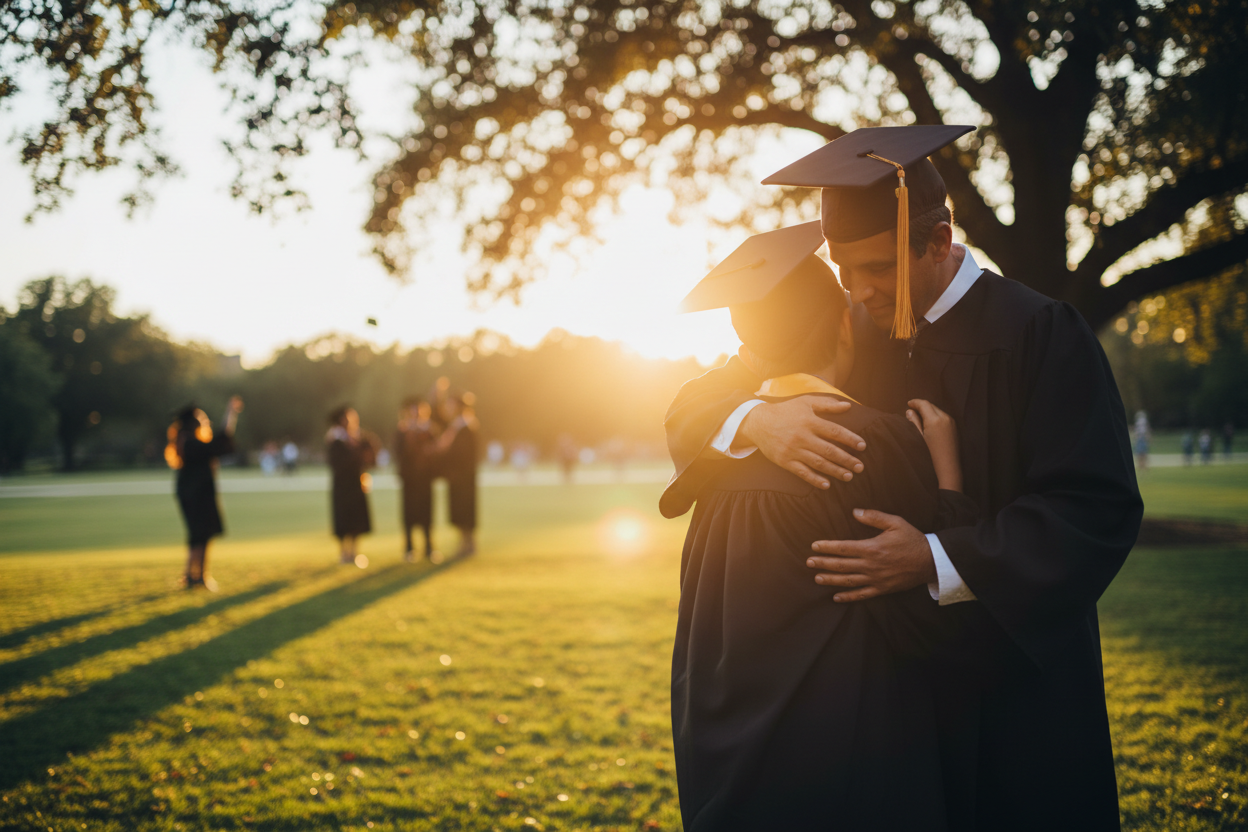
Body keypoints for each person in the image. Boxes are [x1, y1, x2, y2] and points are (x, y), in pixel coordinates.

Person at [663, 125, 1142, 829]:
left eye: (877, 269)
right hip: (900, 695)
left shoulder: (1039, 334)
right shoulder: (856, 319)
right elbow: (698, 400)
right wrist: (754, 419)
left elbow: (1093, 508)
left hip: (1014, 684)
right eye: (845, 271)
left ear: (939, 241)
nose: (857, 291)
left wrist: (937, 555)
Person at [669, 224, 981, 830]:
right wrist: (951, 485)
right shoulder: (872, 440)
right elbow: (930, 613)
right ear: (844, 326)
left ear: (750, 351)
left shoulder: (715, 457)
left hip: (726, 747)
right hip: (845, 751)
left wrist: (751, 417)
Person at [165, 396, 243, 590]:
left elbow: (218, 444)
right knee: (198, 535)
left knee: (201, 535)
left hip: (196, 493)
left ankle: (196, 576)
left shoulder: (186, 441)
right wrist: (230, 414)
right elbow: (220, 443)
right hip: (196, 495)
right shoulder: (190, 443)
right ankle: (193, 576)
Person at [327, 405, 374, 566]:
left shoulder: (359, 438)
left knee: (356, 519)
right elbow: (337, 464)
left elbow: (371, 456)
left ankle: (354, 552)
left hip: (356, 484)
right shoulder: (336, 440)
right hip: (342, 485)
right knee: (343, 519)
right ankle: (343, 553)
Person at [395, 396, 440, 562]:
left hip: (425, 479)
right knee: (409, 514)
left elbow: (436, 451)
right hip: (409, 479)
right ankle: (409, 548)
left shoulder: (429, 430)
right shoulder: (403, 431)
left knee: (426, 513)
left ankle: (428, 547)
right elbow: (399, 454)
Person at [439, 392, 479, 558]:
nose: (448, 408)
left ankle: (468, 544)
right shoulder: (456, 426)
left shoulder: (466, 427)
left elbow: (463, 454)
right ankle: (464, 543)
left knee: (465, 510)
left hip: (463, 477)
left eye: (451, 405)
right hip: (456, 476)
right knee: (459, 510)